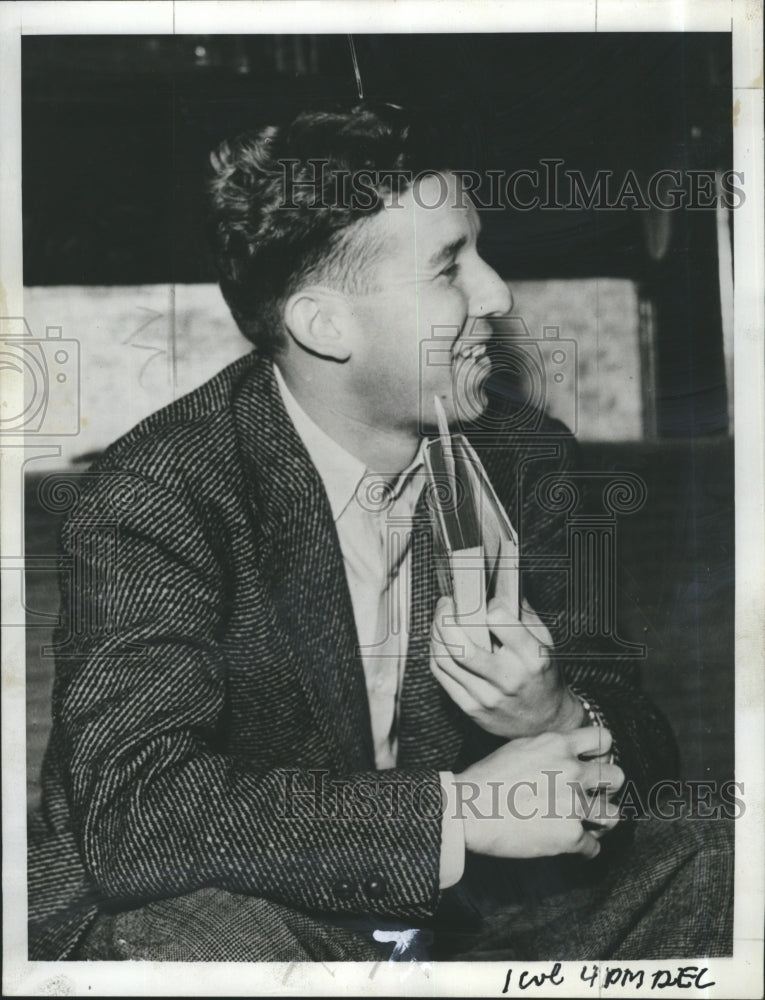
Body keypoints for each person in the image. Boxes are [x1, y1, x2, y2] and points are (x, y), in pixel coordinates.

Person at [28, 103, 732, 962]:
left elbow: (639, 734)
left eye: (480, 249)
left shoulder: (526, 457)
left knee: (714, 861)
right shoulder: (156, 493)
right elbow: (137, 811)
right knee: (218, 944)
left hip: (464, 909)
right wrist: (462, 812)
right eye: (448, 268)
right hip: (242, 908)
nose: (496, 294)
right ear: (325, 326)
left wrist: (552, 710)